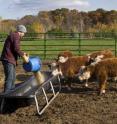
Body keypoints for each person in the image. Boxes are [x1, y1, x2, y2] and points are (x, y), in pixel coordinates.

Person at [0, 25, 29, 92]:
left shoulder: (14, 35)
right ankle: (6, 97)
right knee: (10, 78)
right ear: (21, 31)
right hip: (8, 59)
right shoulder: (16, 36)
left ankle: (11, 94)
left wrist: (22, 53)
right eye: (24, 32)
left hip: (9, 59)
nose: (24, 34)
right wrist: (23, 55)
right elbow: (16, 49)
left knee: (12, 78)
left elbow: (15, 49)